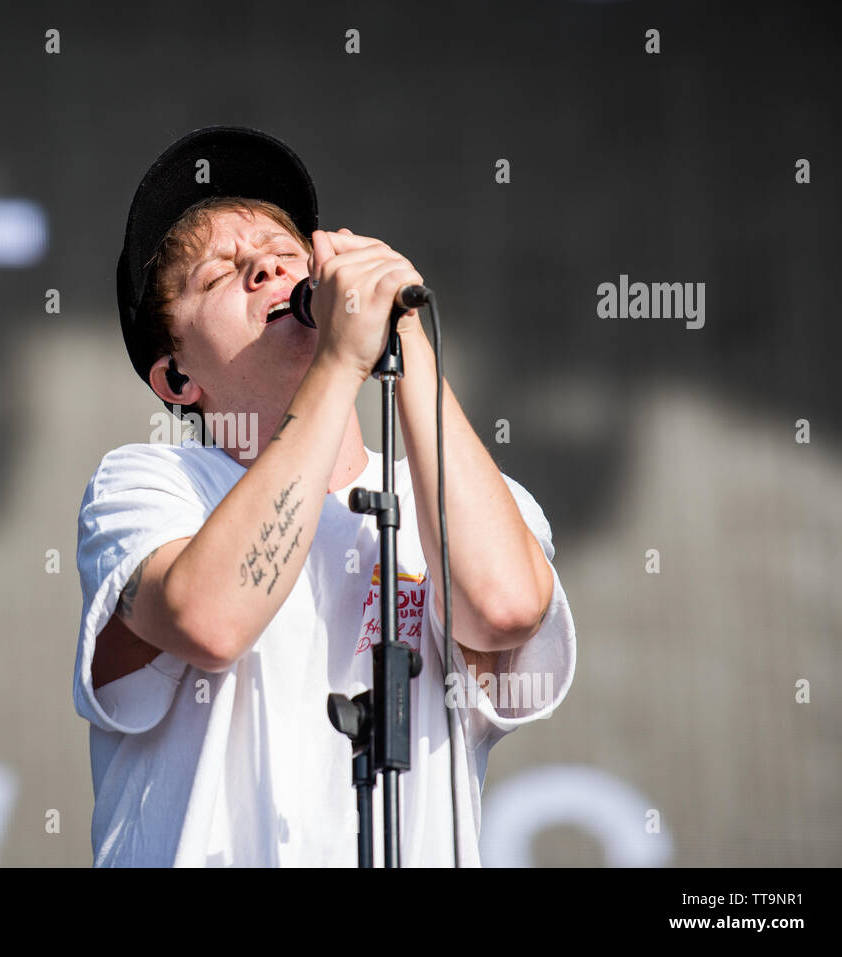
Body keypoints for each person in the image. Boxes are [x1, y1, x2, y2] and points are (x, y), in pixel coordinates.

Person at [72, 126, 577, 866]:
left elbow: (503, 609)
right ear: (178, 379)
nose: (265, 269)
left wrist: (405, 338)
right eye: (220, 275)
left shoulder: (455, 491)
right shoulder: (149, 486)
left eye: (284, 256)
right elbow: (210, 620)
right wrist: (339, 361)